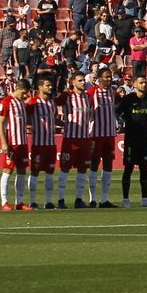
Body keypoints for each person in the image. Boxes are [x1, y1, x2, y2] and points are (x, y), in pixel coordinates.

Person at [57, 71, 96, 210]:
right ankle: (61, 200)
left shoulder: (87, 97)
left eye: (83, 80)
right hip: (70, 139)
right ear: (73, 82)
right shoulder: (68, 97)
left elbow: (91, 117)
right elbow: (56, 102)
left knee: (82, 169)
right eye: (79, 80)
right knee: (65, 168)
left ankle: (78, 200)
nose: (82, 83)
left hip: (85, 139)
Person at [116, 74, 147, 207]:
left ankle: (144, 198)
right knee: (129, 168)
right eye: (141, 83)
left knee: (144, 168)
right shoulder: (129, 99)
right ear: (134, 84)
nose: (144, 85)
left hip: (144, 138)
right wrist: (123, 122)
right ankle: (125, 199)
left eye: (145, 82)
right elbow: (117, 112)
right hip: (131, 139)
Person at [0, 77, 33, 212]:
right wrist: (3, 142)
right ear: (19, 89)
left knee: (22, 171)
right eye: (24, 93)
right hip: (12, 143)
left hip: (23, 142)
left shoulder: (21, 103)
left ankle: (19, 202)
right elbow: (0, 123)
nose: (25, 96)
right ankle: (4, 202)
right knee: (7, 170)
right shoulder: (6, 102)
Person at [27, 76, 60, 210]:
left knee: (50, 172)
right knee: (34, 172)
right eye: (47, 85)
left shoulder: (51, 103)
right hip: (38, 144)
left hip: (51, 143)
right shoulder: (33, 102)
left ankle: (48, 201)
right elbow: (25, 117)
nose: (50, 87)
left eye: (51, 85)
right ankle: (33, 201)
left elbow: (55, 119)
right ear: (40, 87)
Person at [90, 68, 119, 208]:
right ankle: (92, 199)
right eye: (106, 77)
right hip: (96, 135)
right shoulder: (92, 92)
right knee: (94, 165)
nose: (109, 79)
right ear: (100, 78)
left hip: (110, 135)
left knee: (108, 166)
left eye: (110, 77)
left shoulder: (113, 92)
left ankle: (104, 199)